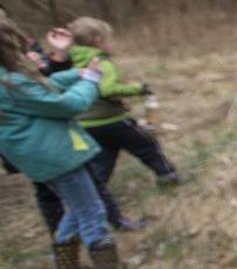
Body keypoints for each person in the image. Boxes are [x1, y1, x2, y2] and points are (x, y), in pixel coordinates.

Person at [0, 14, 121, 269]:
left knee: (78, 207)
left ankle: (66, 264)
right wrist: (89, 79)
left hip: (40, 157)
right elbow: (66, 105)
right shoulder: (10, 84)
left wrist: (74, 74)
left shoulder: (9, 80)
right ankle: (106, 262)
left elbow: (43, 88)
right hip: (54, 155)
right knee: (91, 208)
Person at [67, 16, 184, 188]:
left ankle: (97, 192)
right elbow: (107, 90)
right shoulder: (102, 62)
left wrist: (118, 102)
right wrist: (137, 88)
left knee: (103, 159)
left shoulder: (75, 65)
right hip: (112, 122)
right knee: (147, 144)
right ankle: (167, 175)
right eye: (108, 40)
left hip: (87, 124)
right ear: (99, 41)